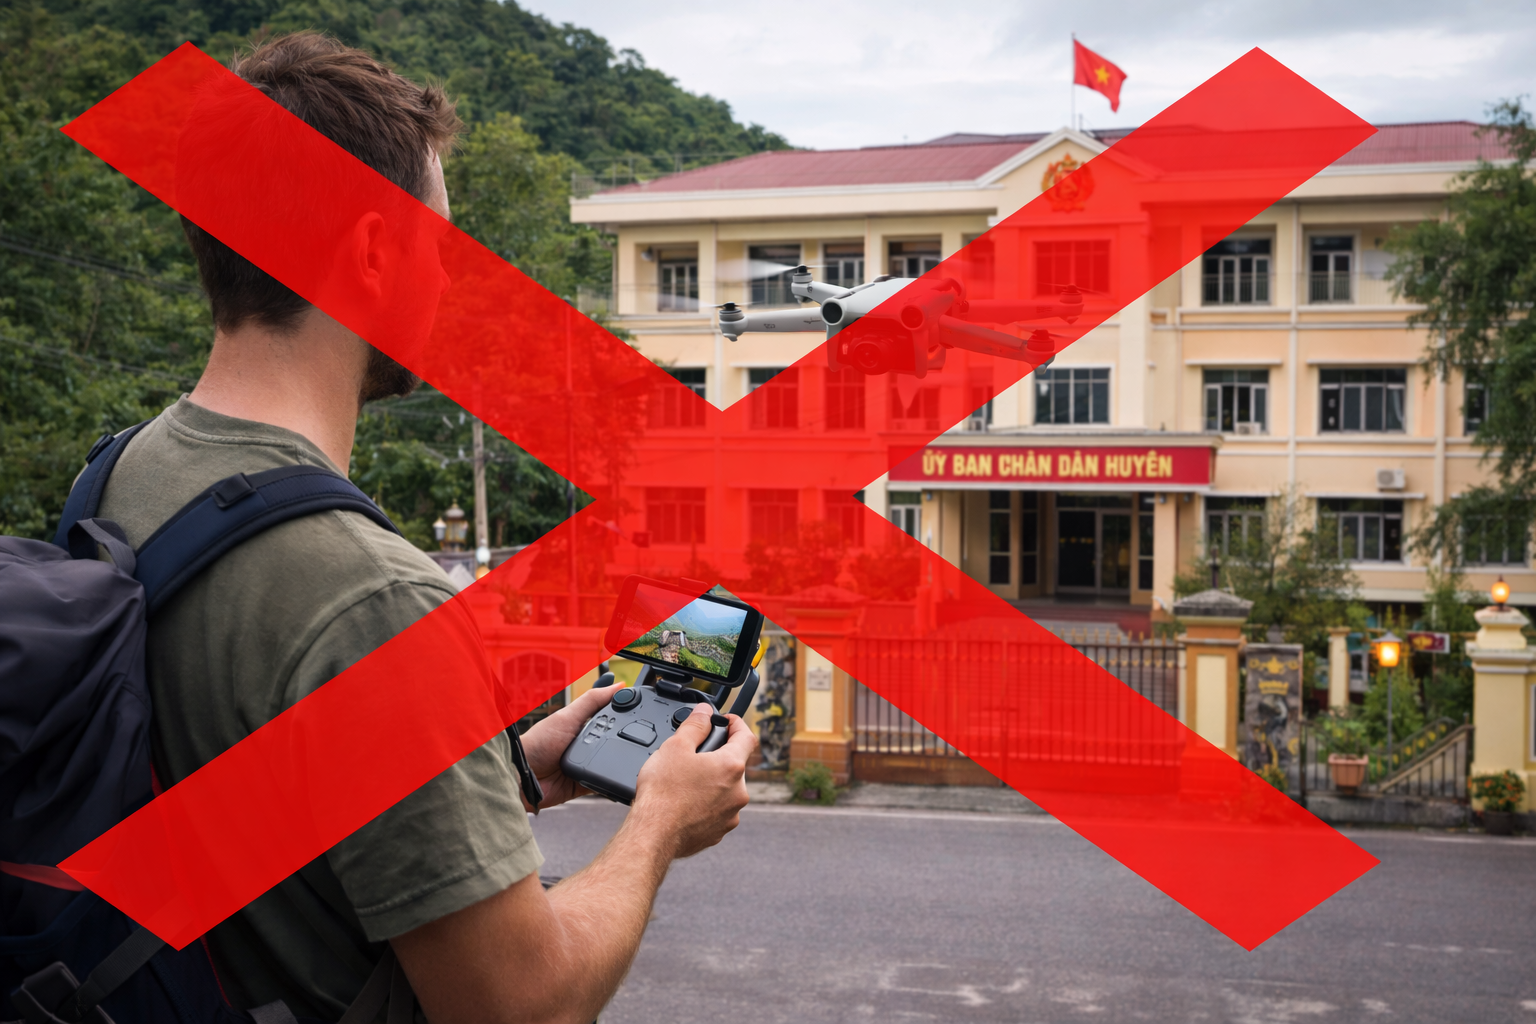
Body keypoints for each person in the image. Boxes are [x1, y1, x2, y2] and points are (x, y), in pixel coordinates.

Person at [95, 31, 756, 1024]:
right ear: (371, 252)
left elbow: (251, 794)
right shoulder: (375, 600)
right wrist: (658, 820)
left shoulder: (121, 474)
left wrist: (517, 775)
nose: (450, 282)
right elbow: (521, 1003)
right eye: (439, 245)